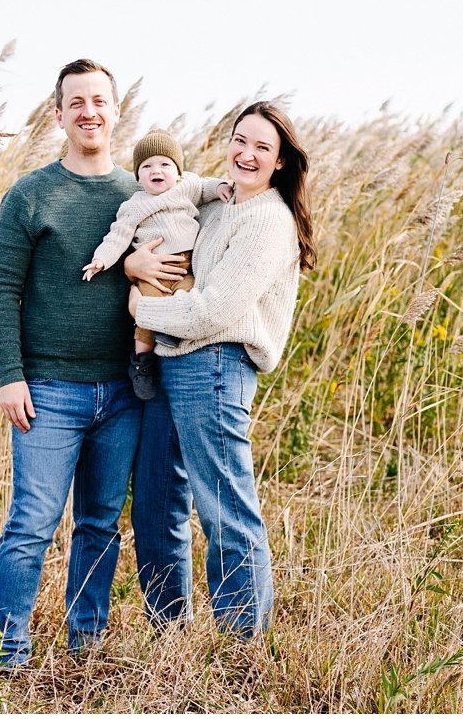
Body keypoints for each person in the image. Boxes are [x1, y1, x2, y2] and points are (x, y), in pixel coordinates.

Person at [123, 101, 316, 636]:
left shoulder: (267, 220)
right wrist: (131, 266)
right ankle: (169, 633)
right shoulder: (215, 204)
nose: (247, 154)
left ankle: (239, 645)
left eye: (262, 147)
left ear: (279, 162)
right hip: (170, 359)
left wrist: (143, 309)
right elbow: (158, 240)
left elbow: (215, 309)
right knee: (157, 503)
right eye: (240, 140)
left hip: (215, 364)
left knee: (224, 508)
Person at [0, 58, 142, 667]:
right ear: (58, 115)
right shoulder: (30, 195)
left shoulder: (140, 196)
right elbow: (3, 290)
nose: (89, 112)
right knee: (31, 525)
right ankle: (5, 657)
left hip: (122, 393)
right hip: (48, 390)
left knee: (100, 525)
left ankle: (86, 648)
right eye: (75, 102)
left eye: (99, 100)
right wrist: (10, 375)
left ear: (115, 110)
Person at [81, 128, 230, 400]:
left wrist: (220, 186)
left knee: (188, 295)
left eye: (164, 164)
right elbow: (118, 235)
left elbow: (207, 186)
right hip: (151, 274)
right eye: (147, 166)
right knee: (146, 315)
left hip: (185, 268)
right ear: (138, 176)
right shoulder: (134, 205)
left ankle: (170, 334)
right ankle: (142, 362)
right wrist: (100, 260)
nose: (155, 170)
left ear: (178, 171)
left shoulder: (188, 186)